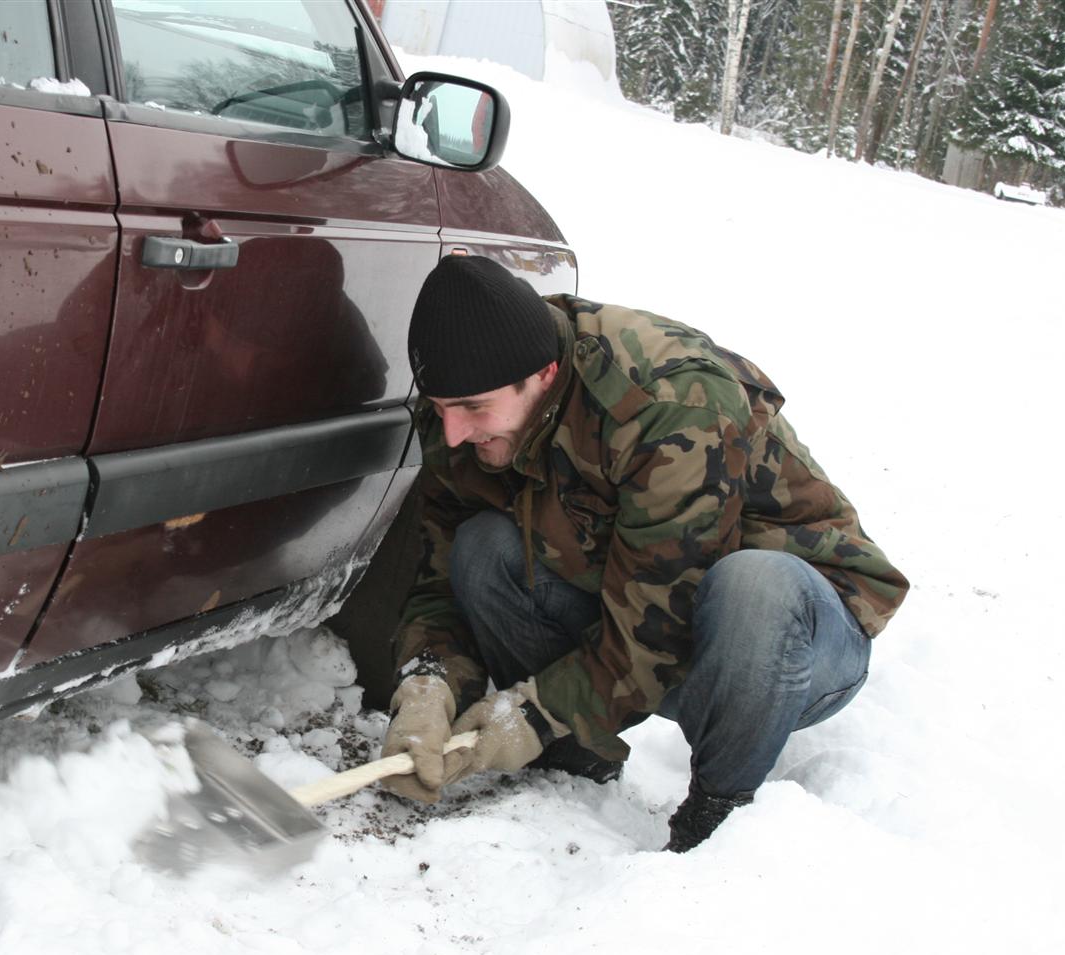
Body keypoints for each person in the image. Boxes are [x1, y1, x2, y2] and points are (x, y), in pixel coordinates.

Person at [380, 255, 908, 851]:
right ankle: (575, 754)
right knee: (483, 548)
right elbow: (440, 574)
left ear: (545, 375)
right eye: (441, 408)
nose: (453, 432)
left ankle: (717, 819)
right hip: (637, 612)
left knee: (753, 584)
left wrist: (534, 714)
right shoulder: (463, 410)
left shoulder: (669, 403)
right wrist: (429, 684)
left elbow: (660, 620)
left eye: (474, 408)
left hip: (790, 650)